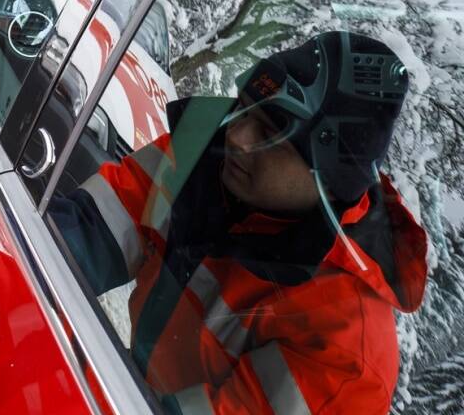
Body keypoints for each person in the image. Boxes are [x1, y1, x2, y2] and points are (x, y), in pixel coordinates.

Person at [50, 31, 428, 414]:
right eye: (244, 108)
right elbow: (89, 230)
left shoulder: (346, 347)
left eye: (269, 132)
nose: (237, 135)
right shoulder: (205, 157)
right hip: (135, 384)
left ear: (330, 177)